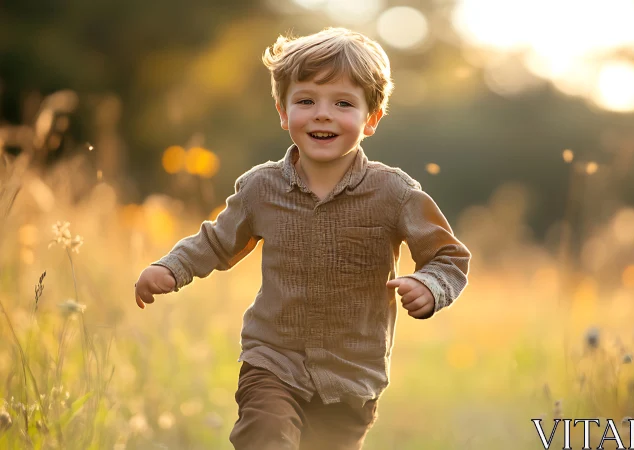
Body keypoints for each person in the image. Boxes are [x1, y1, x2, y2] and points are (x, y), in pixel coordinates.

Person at [133, 27, 471, 450]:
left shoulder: (395, 194)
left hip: (352, 377)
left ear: (371, 119)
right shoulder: (260, 188)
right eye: (306, 100)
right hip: (271, 361)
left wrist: (429, 284)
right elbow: (218, 241)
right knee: (265, 436)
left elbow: (448, 257)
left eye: (343, 103)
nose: (322, 114)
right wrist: (172, 266)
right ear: (282, 110)